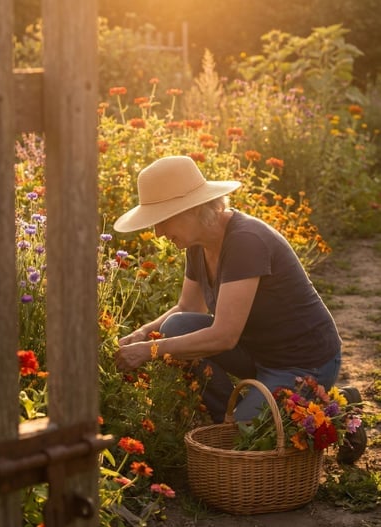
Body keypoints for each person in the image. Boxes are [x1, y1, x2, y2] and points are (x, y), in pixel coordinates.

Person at [113, 155, 366, 462]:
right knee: (175, 326)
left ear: (191, 210)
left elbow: (224, 337)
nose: (157, 233)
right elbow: (187, 306)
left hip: (304, 362)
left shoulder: (246, 241)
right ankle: (227, 419)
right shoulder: (198, 243)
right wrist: (141, 335)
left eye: (162, 220)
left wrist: (149, 351)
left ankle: (337, 408)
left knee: (253, 432)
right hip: (257, 353)